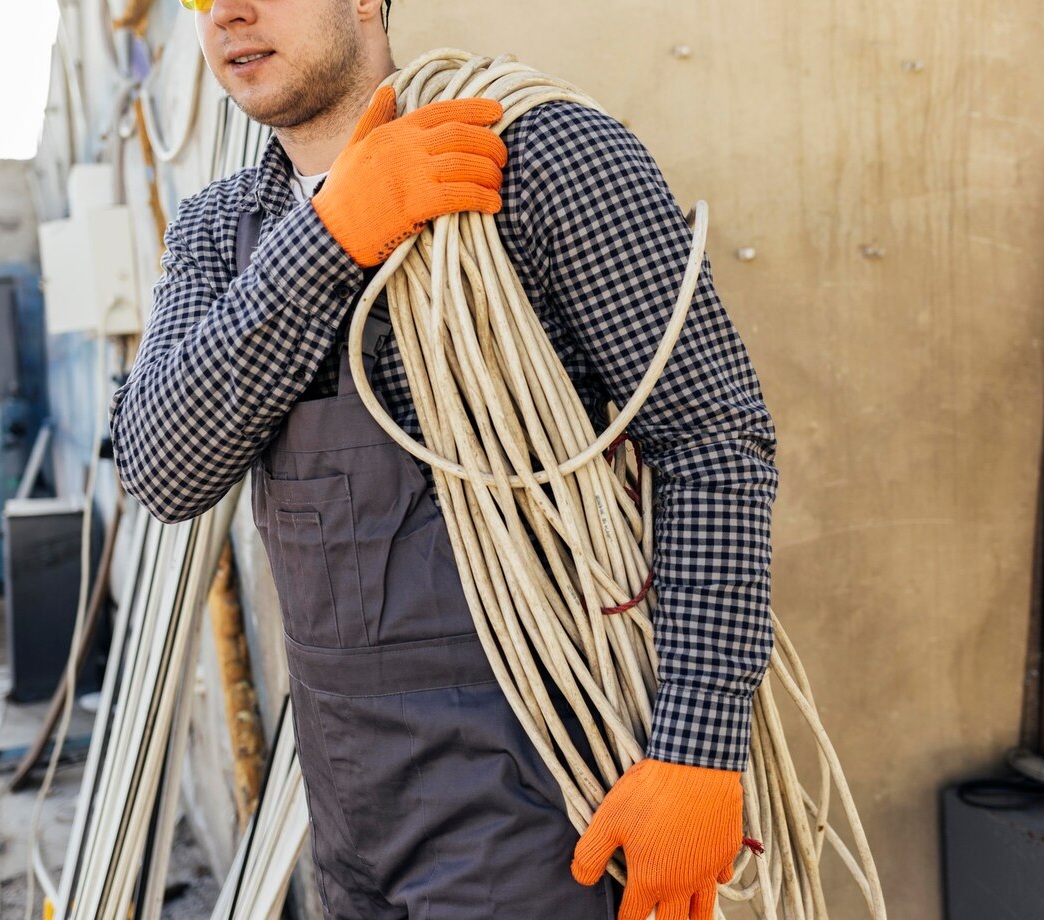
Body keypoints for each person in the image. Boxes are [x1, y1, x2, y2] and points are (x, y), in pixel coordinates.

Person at [108, 1, 778, 918]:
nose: (230, 10)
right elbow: (162, 469)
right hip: (346, 807)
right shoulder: (222, 230)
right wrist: (333, 237)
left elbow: (713, 440)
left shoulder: (538, 159)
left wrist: (698, 751)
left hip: (539, 800)